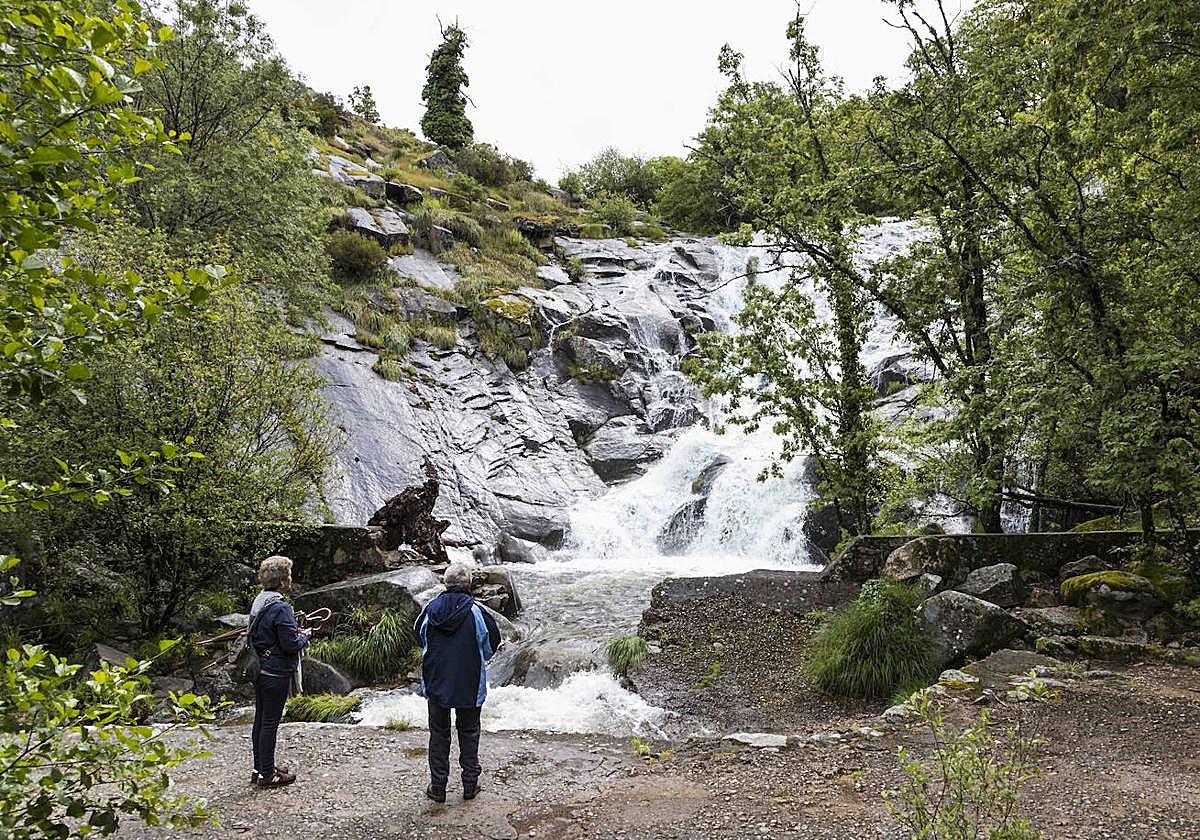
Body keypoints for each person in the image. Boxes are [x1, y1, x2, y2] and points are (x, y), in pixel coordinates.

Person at [413, 562, 501, 803]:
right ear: (469, 585)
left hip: (436, 681)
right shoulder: (477, 611)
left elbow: (419, 637)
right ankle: (470, 785)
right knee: (469, 732)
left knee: (439, 734)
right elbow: (492, 644)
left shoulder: (430, 609)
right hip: (469, 682)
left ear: (445, 583)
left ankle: (438, 787)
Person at [248, 555, 311, 788]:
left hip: (260, 669)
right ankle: (267, 774)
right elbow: (290, 644)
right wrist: (305, 636)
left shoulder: (260, 601)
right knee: (270, 723)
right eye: (289, 575)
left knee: (260, 720)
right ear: (283, 581)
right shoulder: (280, 606)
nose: (291, 579)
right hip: (276, 672)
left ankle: (260, 767)